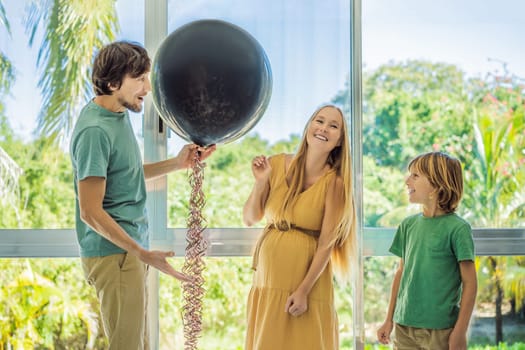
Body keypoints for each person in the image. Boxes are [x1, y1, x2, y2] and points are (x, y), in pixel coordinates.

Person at [69, 41, 215, 350]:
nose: (148, 88)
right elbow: (90, 211)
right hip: (116, 255)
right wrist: (140, 252)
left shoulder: (116, 116)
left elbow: (127, 173)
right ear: (112, 83)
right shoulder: (95, 131)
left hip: (129, 252)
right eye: (139, 78)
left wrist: (178, 163)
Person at [243, 104, 356, 350]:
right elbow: (250, 218)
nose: (324, 128)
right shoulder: (274, 165)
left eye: (333, 126)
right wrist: (261, 184)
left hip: (307, 285)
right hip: (269, 280)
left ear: (339, 141)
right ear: (309, 127)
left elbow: (327, 242)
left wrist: (304, 290)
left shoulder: (334, 184)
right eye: (320, 121)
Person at [376, 152, 477, 350]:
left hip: (441, 330)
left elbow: (470, 283)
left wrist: (459, 331)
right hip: (404, 326)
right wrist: (389, 319)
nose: (407, 181)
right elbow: (401, 273)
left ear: (437, 186)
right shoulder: (407, 225)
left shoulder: (458, 229)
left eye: (415, 176)